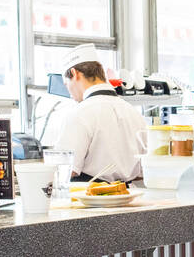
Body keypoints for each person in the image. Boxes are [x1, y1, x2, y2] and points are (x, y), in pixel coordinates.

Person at [56, 43, 147, 182]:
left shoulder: (79, 113)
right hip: (128, 195)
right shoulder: (133, 112)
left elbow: (66, 169)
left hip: (89, 197)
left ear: (74, 74)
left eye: (66, 84)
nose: (69, 93)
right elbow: (142, 170)